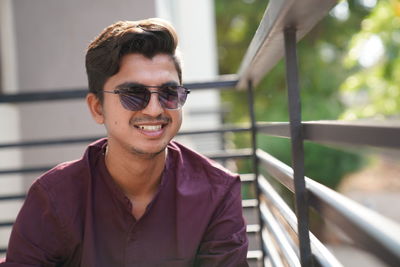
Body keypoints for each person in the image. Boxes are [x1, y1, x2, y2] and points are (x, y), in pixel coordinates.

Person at [2, 18, 249, 266]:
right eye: (133, 95)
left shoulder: (217, 193)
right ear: (98, 108)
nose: (154, 110)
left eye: (169, 93)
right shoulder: (54, 200)